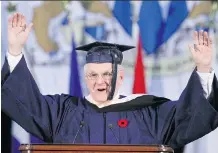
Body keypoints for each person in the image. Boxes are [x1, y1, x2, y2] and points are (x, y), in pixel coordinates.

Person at [2, 13, 218, 150]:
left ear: (120, 76)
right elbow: (25, 104)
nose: (100, 81)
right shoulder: (62, 112)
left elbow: (189, 119)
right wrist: (14, 50)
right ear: (86, 78)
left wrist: (204, 68)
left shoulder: (148, 113)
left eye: (107, 74)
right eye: (93, 75)